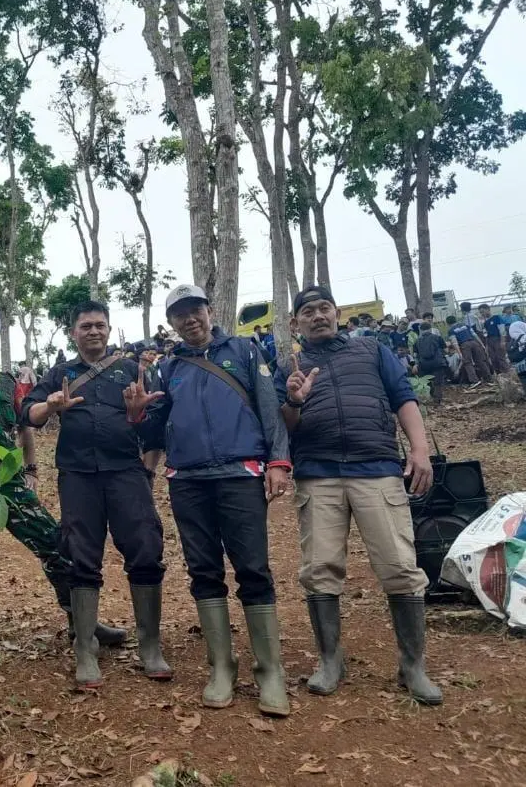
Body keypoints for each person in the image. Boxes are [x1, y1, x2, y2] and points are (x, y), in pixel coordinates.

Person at [0, 311, 127, 679]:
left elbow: (24, 428)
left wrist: (30, 470)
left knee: (53, 540)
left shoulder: (8, 379)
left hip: (6, 478)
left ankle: (80, 624)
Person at [278, 286, 441, 706]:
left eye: (324, 308)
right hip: (318, 476)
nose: (318, 316)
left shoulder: (371, 351)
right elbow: (285, 427)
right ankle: (330, 661)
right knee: (319, 568)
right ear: (296, 323)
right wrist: (293, 401)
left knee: (400, 566)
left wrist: (419, 449)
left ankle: (413, 665)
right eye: (308, 311)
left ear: (337, 314)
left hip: (377, 470)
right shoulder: (290, 368)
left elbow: (404, 397)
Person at [137, 286, 292, 717]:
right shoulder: (168, 369)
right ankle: (221, 666)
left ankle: (270, 670)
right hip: (187, 479)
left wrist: (278, 462)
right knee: (203, 570)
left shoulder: (243, 350)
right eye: (180, 315)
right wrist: (137, 415)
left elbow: (269, 408)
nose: (190, 320)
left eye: (196, 310)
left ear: (209, 310)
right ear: (172, 323)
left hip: (240, 474)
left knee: (253, 568)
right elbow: (154, 428)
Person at [22, 300, 169, 690]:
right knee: (80, 556)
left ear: (108, 329)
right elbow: (27, 412)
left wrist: (139, 416)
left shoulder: (131, 370)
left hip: (126, 473)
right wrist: (49, 406)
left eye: (99, 325)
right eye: (85, 326)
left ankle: (150, 646)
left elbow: (155, 426)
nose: (93, 331)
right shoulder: (61, 373)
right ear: (73, 333)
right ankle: (85, 648)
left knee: (145, 547)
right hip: (78, 475)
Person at [446, 314, 493, 389]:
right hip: (474, 342)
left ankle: (474, 381)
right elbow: (474, 335)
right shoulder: (465, 325)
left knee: (468, 363)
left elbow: (454, 342)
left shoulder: (451, 330)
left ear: (448, 323)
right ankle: (489, 378)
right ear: (455, 320)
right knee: (480, 361)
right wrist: (482, 344)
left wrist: (459, 353)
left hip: (464, 345)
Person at [414, 322, 448, 405]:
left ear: (421, 330)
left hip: (423, 364)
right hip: (437, 362)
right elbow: (445, 350)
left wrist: (416, 364)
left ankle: (430, 397)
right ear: (430, 328)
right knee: (438, 382)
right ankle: (437, 400)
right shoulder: (437, 337)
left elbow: (415, 354)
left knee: (427, 381)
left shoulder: (417, 341)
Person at [478, 304, 510, 374]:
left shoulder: (497, 317)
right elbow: (485, 334)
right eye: (480, 312)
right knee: (493, 359)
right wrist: (486, 345)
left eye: (483, 311)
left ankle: (507, 374)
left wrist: (502, 341)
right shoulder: (485, 323)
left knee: (501, 358)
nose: (482, 314)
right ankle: (499, 375)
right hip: (489, 341)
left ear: (488, 309)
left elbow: (502, 330)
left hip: (497, 339)